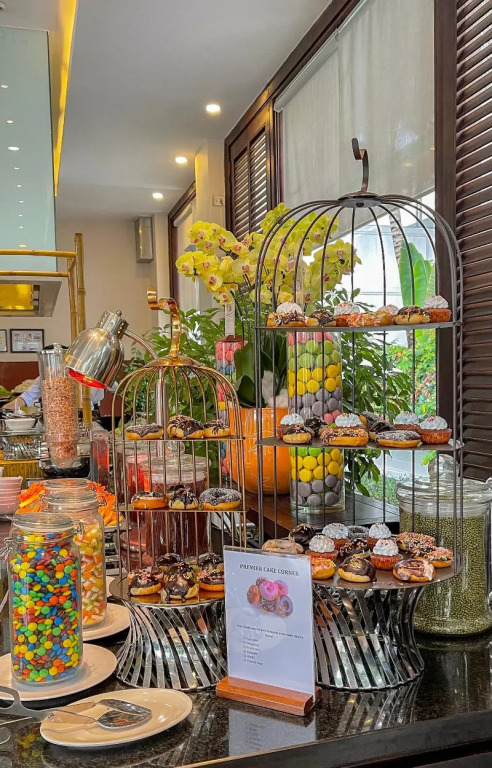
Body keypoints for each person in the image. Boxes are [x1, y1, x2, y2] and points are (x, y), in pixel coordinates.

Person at [2, 343, 105, 415]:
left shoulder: (80, 376)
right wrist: (4, 409)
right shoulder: (45, 378)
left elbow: (87, 405)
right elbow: (27, 397)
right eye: (47, 366)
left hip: (86, 414)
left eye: (53, 367)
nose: (51, 373)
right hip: (56, 418)